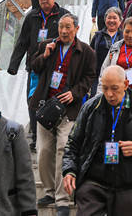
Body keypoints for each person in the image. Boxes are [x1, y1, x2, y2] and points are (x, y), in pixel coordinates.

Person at [62, 66, 132, 216]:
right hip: (94, 182)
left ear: (126, 84)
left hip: (128, 184)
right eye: (105, 88)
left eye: (114, 88)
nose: (109, 94)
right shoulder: (90, 107)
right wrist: (69, 171)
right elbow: (73, 142)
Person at [29, 13, 96, 216]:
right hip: (46, 108)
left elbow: (90, 77)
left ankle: (62, 199)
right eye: (60, 27)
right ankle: (49, 191)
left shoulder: (86, 51)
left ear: (76, 28)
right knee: (43, 152)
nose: (64, 31)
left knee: (62, 151)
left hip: (69, 110)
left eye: (68, 27)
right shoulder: (47, 45)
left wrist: (75, 93)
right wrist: (45, 55)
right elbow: (34, 67)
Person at [8, 0, 70, 151]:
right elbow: (22, 42)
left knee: (53, 102)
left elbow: (70, 39)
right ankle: (36, 137)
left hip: (55, 68)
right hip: (35, 67)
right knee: (33, 102)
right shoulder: (32, 16)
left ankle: (54, 134)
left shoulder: (64, 16)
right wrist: (14, 65)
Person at [90, 7, 124, 95]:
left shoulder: (124, 37)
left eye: (114, 18)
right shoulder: (98, 36)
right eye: (109, 18)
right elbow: (90, 55)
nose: (111, 20)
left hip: (119, 76)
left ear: (120, 20)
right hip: (99, 76)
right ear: (105, 20)